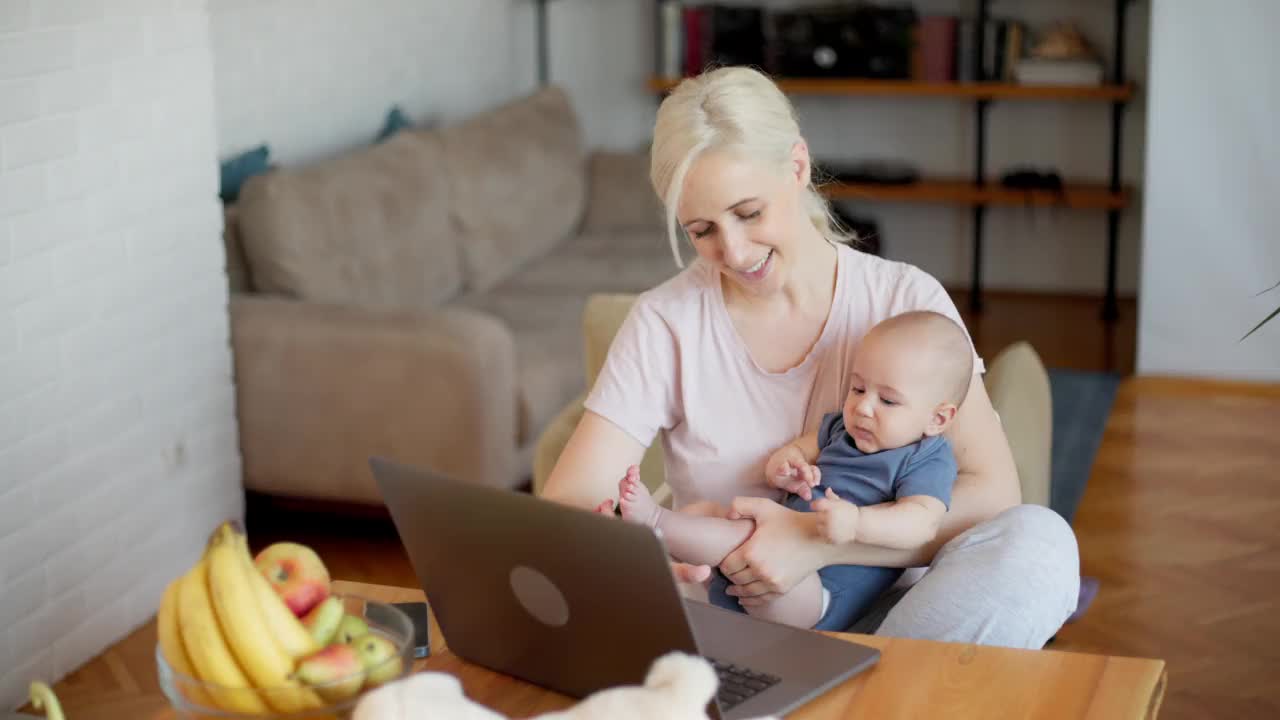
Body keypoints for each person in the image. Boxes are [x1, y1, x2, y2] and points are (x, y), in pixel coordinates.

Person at [542, 65, 1079, 649]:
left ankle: (870, 698)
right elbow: (570, 501)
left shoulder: (904, 300)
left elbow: (993, 495)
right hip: (736, 611)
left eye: (749, 213)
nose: (734, 251)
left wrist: (819, 540)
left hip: (895, 621)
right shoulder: (666, 321)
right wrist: (648, 554)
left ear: (797, 167)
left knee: (1042, 546)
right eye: (702, 230)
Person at [618, 310, 972, 632]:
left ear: (937, 418)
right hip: (769, 553)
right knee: (708, 512)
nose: (863, 407)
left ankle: (653, 522)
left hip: (816, 598)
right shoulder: (840, 429)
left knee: (740, 535)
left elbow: (921, 524)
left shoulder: (927, 458)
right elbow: (795, 453)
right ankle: (660, 551)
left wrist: (856, 524)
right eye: (858, 388)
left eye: (888, 400)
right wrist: (787, 468)